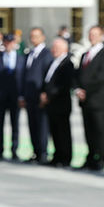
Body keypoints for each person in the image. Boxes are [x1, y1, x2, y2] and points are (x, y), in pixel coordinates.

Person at [76, 25, 104, 171]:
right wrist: (78, 89)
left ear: (101, 36)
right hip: (84, 99)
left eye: (95, 34)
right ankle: (91, 156)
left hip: (97, 98)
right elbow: (79, 74)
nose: (92, 37)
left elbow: (102, 77)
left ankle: (100, 158)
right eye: (90, 34)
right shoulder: (85, 54)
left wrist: (86, 89)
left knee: (99, 130)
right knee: (88, 130)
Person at [42, 37, 76, 167]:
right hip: (51, 103)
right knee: (54, 131)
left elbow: (63, 85)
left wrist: (49, 95)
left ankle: (65, 157)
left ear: (64, 49)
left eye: (56, 48)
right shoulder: (53, 62)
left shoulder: (68, 63)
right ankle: (57, 156)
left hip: (61, 103)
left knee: (63, 132)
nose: (53, 50)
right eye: (53, 47)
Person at [0, 33, 24, 161]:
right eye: (6, 42)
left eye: (11, 42)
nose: (9, 44)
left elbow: (23, 79)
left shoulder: (21, 59)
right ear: (3, 43)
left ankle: (14, 150)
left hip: (15, 97)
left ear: (14, 43)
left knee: (15, 125)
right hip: (0, 97)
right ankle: (0, 150)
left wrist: (22, 96)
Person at [22, 27, 51, 164]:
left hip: (40, 96)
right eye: (32, 36)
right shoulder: (29, 54)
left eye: (36, 36)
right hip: (29, 96)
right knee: (32, 125)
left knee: (42, 126)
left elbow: (47, 76)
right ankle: (36, 151)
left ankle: (43, 153)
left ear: (43, 37)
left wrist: (44, 93)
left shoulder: (47, 54)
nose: (34, 39)